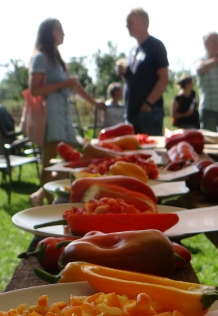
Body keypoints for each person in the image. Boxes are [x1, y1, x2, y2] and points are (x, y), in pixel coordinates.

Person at [27, 18, 105, 207]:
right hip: (50, 114)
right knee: (49, 159)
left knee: (73, 155)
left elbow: (75, 86)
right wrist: (65, 84)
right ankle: (49, 203)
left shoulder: (56, 59)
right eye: (59, 30)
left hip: (62, 115)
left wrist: (94, 102)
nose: (63, 33)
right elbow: (34, 90)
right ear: (49, 33)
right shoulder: (40, 58)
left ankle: (40, 196)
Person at [118, 8, 169, 136]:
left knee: (153, 153)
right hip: (131, 113)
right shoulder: (132, 50)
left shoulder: (155, 46)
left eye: (129, 22)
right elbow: (135, 79)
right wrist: (124, 72)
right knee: (133, 155)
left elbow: (163, 78)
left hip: (149, 113)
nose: (126, 25)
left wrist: (147, 104)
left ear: (142, 22)